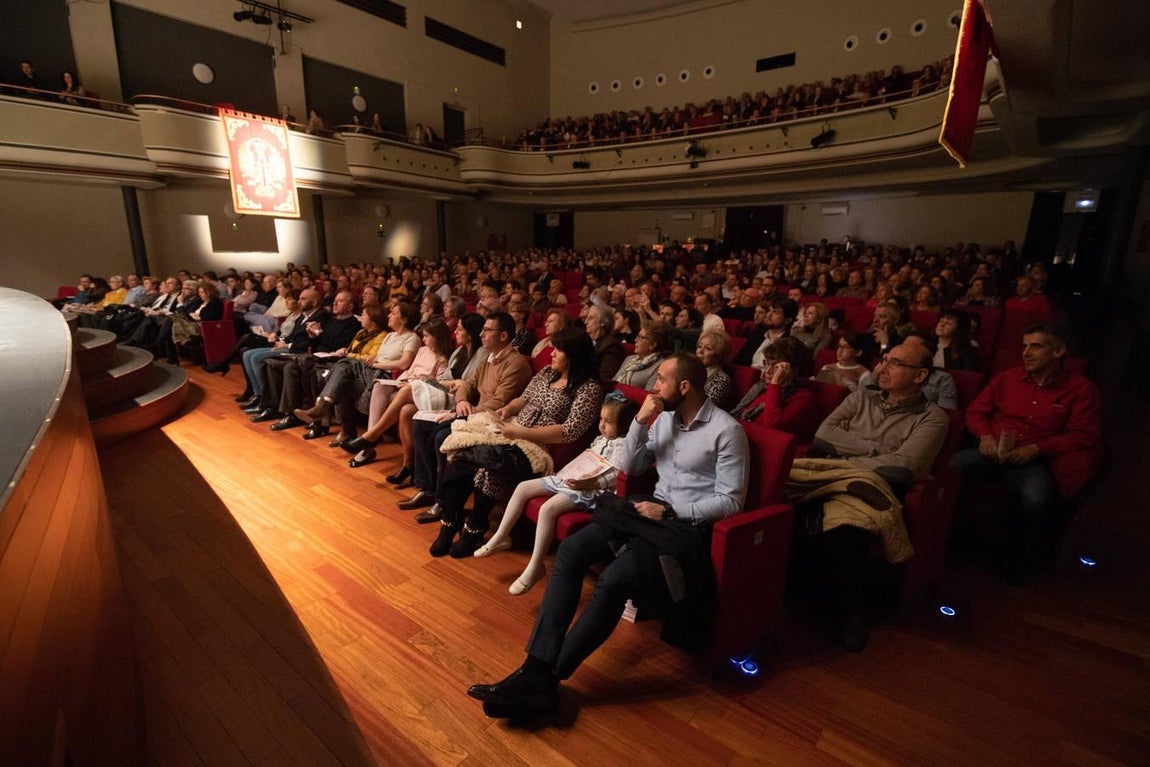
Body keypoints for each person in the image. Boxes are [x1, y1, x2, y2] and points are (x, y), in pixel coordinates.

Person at [465, 354, 748, 719]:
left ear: (684, 386)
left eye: (661, 379)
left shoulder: (726, 431)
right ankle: (536, 671)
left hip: (684, 527)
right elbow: (632, 466)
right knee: (571, 550)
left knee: (613, 580)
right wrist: (640, 423)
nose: (654, 386)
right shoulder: (663, 420)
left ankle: (545, 678)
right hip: (647, 513)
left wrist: (671, 512)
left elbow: (731, 501)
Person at [787, 340, 949, 650]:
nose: (883, 368)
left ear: (919, 375)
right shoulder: (861, 396)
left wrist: (851, 451)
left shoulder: (933, 417)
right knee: (783, 501)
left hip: (877, 485)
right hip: (834, 473)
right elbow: (824, 436)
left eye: (895, 363)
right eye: (884, 360)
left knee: (847, 529)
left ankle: (847, 613)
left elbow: (903, 468)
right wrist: (878, 449)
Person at [430, 327, 603, 558]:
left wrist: (524, 433)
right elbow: (523, 399)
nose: (551, 353)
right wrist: (507, 410)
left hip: (539, 448)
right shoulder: (547, 373)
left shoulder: (589, 388)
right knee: (461, 454)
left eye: (558, 350)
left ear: (574, 354)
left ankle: (474, 529)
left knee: (490, 470)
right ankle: (449, 522)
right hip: (512, 431)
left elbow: (570, 432)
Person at [951, 322, 1101, 583]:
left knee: (1035, 499)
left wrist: (1037, 449)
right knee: (948, 471)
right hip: (991, 451)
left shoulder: (1080, 389)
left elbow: (1083, 435)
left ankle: (1012, 559)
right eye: (1024, 346)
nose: (1026, 353)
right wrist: (985, 436)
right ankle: (960, 539)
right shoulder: (1008, 378)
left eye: (1036, 346)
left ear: (1058, 351)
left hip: (1033, 459)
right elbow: (975, 412)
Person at [473, 393, 640, 593]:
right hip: (572, 478)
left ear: (623, 425)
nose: (602, 425)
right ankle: (501, 535)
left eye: (609, 422)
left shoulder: (623, 446)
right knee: (523, 487)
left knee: (548, 508)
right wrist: (564, 472)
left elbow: (615, 473)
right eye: (601, 419)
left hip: (591, 489)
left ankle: (536, 566)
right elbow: (585, 457)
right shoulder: (601, 438)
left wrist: (590, 482)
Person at [397, 312, 532, 512]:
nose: (481, 334)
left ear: (503, 336)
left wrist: (466, 412)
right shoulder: (489, 359)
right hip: (474, 414)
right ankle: (427, 489)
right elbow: (467, 385)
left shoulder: (516, 364)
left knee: (442, 436)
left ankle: (443, 501)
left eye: (487, 330)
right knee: (420, 424)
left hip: (493, 421)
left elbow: (500, 401)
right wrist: (461, 401)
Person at [731, 336, 821, 439]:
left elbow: (771, 426)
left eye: (776, 366)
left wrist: (775, 383)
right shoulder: (761, 386)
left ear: (794, 370)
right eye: (767, 363)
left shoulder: (803, 397)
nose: (767, 370)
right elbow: (737, 414)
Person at [613, 321, 674, 390]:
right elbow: (613, 381)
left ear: (653, 344)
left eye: (641, 337)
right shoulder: (629, 359)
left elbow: (648, 393)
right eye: (637, 336)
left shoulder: (660, 366)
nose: (635, 340)